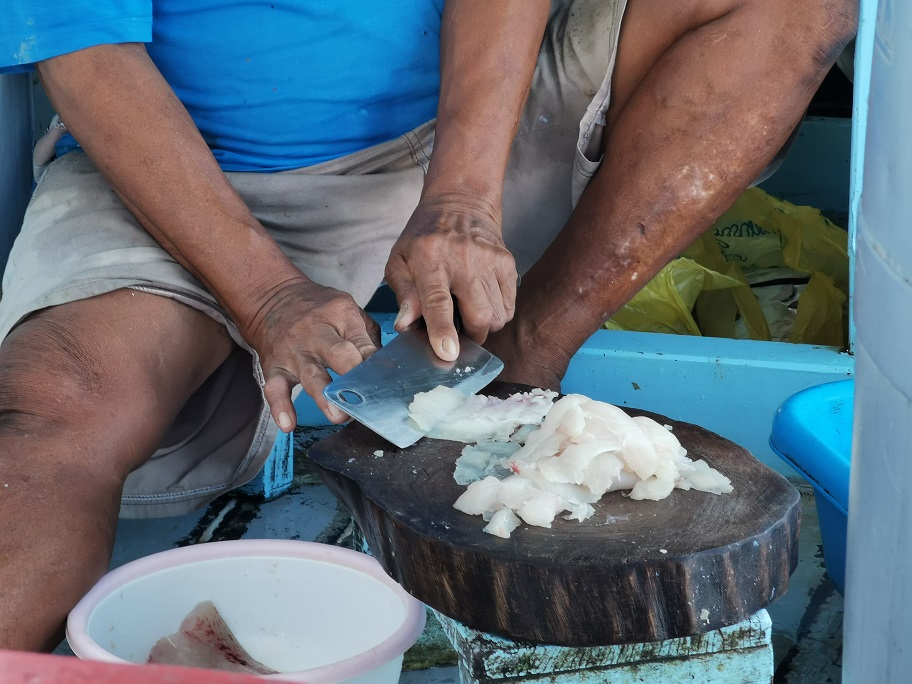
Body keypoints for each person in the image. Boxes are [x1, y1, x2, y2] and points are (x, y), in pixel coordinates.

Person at [0, 0, 856, 651]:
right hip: (189, 167)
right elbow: (80, 45)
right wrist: (267, 298)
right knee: (53, 408)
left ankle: (520, 363)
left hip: (465, 123)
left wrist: (461, 198)